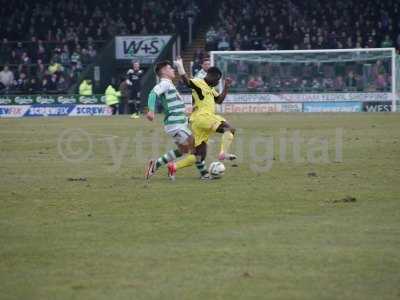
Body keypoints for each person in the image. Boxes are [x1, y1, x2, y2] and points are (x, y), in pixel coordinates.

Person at [168, 58, 236, 177]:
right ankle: (223, 153)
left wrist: (226, 86)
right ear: (212, 76)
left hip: (199, 122)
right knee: (229, 129)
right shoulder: (199, 82)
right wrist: (180, 66)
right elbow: (186, 81)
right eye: (217, 80)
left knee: (199, 156)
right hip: (203, 117)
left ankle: (173, 167)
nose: (217, 83)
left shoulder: (210, 88)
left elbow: (219, 100)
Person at [144, 61, 211, 180]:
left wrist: (188, 110)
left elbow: (172, 105)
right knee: (197, 147)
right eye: (170, 68)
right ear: (164, 71)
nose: (173, 70)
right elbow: (153, 93)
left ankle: (155, 165)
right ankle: (204, 174)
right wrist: (151, 111)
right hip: (176, 125)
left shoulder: (169, 84)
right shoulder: (165, 83)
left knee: (183, 150)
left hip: (177, 124)